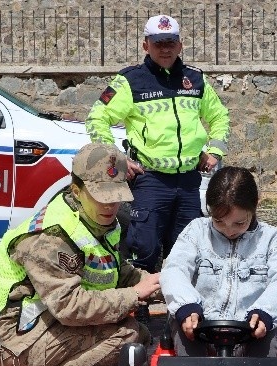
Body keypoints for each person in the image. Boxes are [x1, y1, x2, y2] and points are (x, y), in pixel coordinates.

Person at [0, 142, 161, 366]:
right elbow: (70, 307)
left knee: (125, 321)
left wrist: (161, 285)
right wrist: (135, 295)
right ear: (77, 189)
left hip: (32, 327)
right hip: (5, 342)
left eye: (116, 197)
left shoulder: (98, 221)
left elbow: (115, 272)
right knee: (129, 334)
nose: (110, 205)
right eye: (101, 197)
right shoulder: (50, 236)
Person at [85, 14, 230, 322]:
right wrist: (116, 159)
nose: (165, 49)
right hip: (150, 181)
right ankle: (138, 311)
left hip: (190, 181)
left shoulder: (196, 79)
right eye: (158, 43)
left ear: (180, 44)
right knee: (145, 249)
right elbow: (96, 118)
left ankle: (185, 312)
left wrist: (214, 151)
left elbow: (220, 118)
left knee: (187, 250)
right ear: (145, 45)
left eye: (170, 42)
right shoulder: (129, 81)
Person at [160, 166, 277, 357]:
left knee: (267, 354)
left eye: (239, 223)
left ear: (255, 205)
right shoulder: (196, 231)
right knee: (185, 346)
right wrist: (187, 306)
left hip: (252, 330)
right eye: (219, 221)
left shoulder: (271, 238)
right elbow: (175, 269)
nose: (229, 230)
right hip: (199, 327)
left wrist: (265, 312)